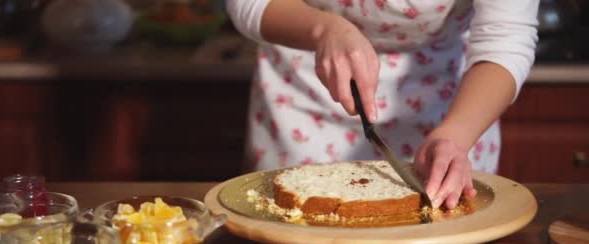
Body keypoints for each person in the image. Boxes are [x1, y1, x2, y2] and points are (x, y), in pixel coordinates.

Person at [226, 0, 538, 209]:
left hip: (451, 102)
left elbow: (506, 39)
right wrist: (324, 29)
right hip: (304, 95)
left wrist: (455, 136)